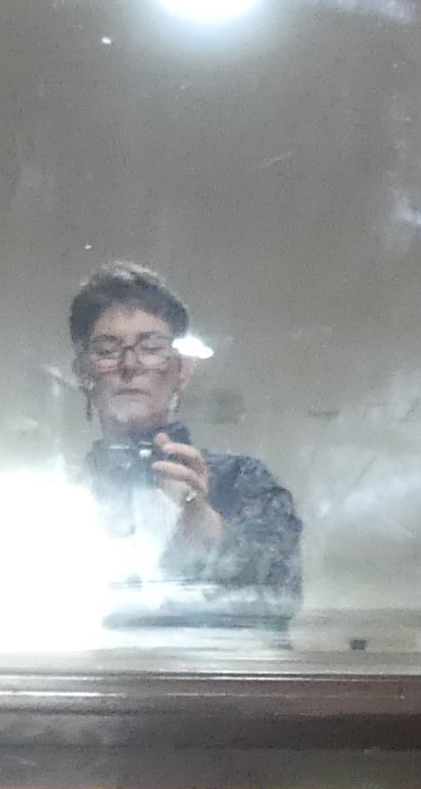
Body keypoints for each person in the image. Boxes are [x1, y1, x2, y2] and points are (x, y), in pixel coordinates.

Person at [69, 263, 301, 629]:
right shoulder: (62, 497)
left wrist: (204, 523)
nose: (130, 365)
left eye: (152, 347)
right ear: (83, 372)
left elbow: (280, 600)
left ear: (182, 370)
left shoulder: (243, 482)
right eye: (106, 350)